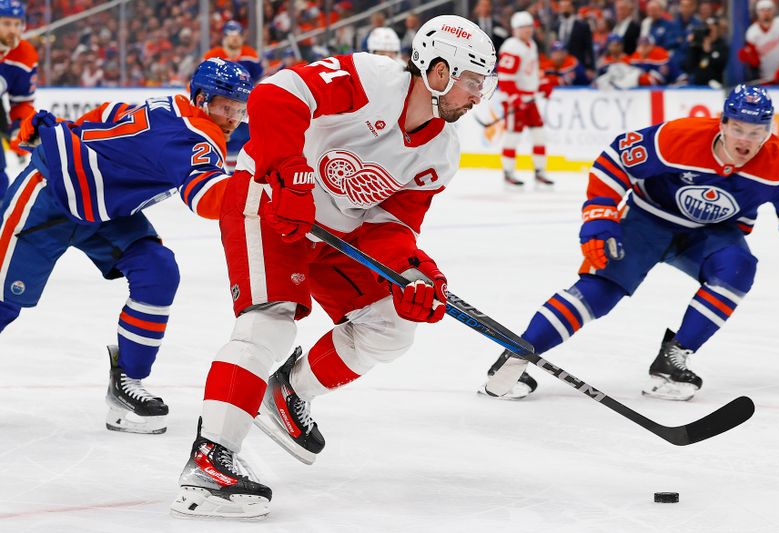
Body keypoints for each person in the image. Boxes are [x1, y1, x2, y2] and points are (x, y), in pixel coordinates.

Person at [170, 15, 497, 520]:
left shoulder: (441, 151)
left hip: (335, 234)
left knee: (391, 327)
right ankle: (208, 462)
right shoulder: (370, 78)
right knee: (270, 324)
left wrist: (416, 274)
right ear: (438, 71)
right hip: (269, 203)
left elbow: (392, 223)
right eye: (473, 82)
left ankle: (288, 394)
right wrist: (290, 174)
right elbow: (276, 96)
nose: (478, 96)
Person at [480, 85, 779, 402]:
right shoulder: (679, 137)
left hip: (710, 233)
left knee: (738, 269)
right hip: (647, 220)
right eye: (738, 129)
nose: (745, 139)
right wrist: (600, 217)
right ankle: (516, 355)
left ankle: (672, 361)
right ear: (723, 123)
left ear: (769, 132)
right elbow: (616, 158)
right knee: (600, 291)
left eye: (756, 132)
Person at [0, 58, 252, 433]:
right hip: (49, 196)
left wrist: (68, 128)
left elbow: (109, 112)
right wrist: (265, 195)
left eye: (240, 109)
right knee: (4, 301)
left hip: (104, 211)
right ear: (201, 100)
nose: (233, 119)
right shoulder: (197, 137)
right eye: (226, 108)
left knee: (157, 271)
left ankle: (126, 384)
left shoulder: (168, 105)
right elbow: (208, 199)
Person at [497, 11, 553, 189]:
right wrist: (515, 98)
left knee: (539, 135)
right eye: (523, 27)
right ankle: (508, 173)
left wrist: (542, 84)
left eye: (530, 27)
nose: (528, 30)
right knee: (513, 136)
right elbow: (505, 77)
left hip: (529, 99)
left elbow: (534, 70)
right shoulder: (511, 47)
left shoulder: (531, 45)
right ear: (515, 30)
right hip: (515, 100)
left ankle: (539, 172)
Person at [204, 20, 263, 170]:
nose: (235, 39)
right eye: (231, 35)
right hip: (221, 107)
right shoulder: (213, 56)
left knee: (246, 140)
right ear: (224, 37)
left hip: (244, 108)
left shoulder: (250, 54)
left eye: (237, 35)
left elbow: (259, 79)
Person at [0, 0, 36, 201]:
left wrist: (19, 127)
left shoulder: (24, 54)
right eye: (6, 23)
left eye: (17, 24)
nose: (13, 30)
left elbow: (22, 102)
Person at [739, 0, 779, 83]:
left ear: (774, 10)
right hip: (764, 77)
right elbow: (754, 62)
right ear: (757, 12)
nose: (766, 13)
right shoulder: (752, 32)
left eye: (769, 10)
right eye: (762, 10)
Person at [685, 17, 728, 87]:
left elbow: (720, 65)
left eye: (712, 30)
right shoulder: (698, 46)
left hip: (715, 85)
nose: (710, 33)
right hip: (697, 85)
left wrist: (708, 52)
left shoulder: (722, 46)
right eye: (707, 30)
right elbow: (689, 66)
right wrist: (692, 45)